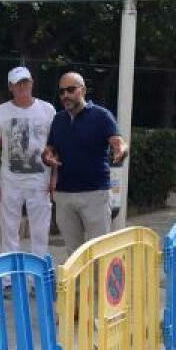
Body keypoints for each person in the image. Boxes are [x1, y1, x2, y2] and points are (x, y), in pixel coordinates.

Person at [43, 71, 128, 252]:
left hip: (95, 194)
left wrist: (121, 150)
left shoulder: (101, 116)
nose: (65, 95)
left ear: (83, 90)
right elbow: (50, 149)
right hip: (64, 195)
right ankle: (79, 282)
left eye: (70, 90)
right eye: (62, 92)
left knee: (99, 251)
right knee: (73, 253)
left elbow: (118, 142)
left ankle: (99, 282)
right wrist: (47, 156)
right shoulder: (58, 120)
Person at [0, 66, 57, 266]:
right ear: (10, 87)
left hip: (39, 181)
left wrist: (54, 177)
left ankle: (39, 276)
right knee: (9, 230)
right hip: (10, 181)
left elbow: (55, 146)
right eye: (18, 83)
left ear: (32, 83)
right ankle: (10, 277)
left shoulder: (47, 110)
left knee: (40, 232)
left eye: (26, 82)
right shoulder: (0, 112)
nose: (23, 87)